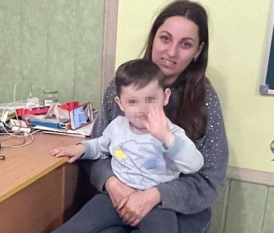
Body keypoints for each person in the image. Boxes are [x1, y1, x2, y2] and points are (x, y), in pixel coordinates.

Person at [64, 1, 229, 232]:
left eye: (186, 44)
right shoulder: (122, 86)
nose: (171, 52)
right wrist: (113, 184)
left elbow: (209, 179)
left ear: (197, 52)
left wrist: (154, 195)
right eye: (165, 38)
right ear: (153, 39)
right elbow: (100, 148)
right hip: (117, 197)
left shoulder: (205, 100)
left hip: (177, 210)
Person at [51, 59, 204, 232]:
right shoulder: (117, 126)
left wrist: (166, 137)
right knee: (73, 228)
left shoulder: (172, 133)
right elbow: (101, 146)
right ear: (120, 103)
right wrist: (82, 148)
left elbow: (195, 164)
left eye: (150, 99)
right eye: (132, 101)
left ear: (165, 97)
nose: (141, 108)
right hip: (113, 199)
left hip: (155, 206)